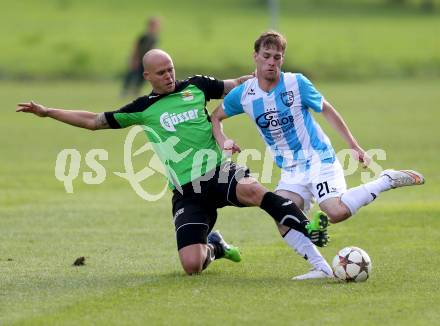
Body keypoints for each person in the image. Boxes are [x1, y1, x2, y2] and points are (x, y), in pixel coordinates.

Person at [17, 49, 330, 278]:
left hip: (219, 171)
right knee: (192, 266)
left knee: (254, 192)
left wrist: (269, 74)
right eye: (161, 72)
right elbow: (93, 121)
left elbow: (235, 83)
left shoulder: (195, 86)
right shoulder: (142, 108)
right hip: (187, 190)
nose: (168, 75)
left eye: (170, 69)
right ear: (147, 76)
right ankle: (216, 247)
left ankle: (308, 226)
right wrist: (48, 112)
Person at [210, 31, 425, 279]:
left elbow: (327, 110)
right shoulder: (244, 94)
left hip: (318, 159)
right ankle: (322, 268)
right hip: (291, 170)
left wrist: (354, 146)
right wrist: (223, 139)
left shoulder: (296, 83)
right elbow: (216, 116)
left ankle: (386, 180)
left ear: (282, 59)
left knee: (335, 212)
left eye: (277, 57)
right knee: (281, 214)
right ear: (255, 56)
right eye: (266, 56)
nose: (271, 62)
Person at [121, 17, 160, 97]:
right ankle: (125, 91)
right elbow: (136, 47)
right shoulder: (144, 36)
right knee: (132, 74)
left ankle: (136, 90)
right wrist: (134, 59)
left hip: (146, 60)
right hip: (138, 59)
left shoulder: (155, 37)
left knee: (143, 76)